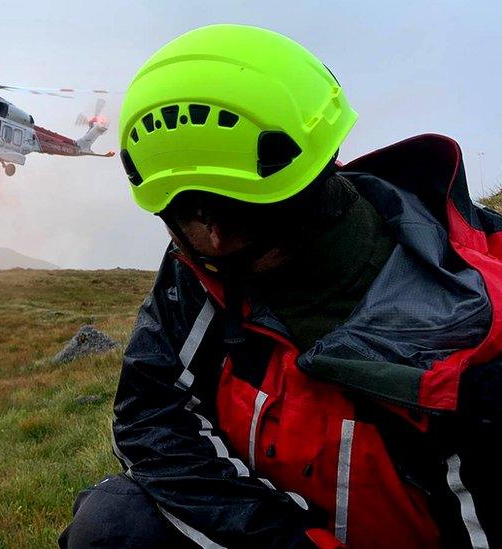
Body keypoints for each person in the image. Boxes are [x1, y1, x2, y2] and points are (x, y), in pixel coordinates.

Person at [60, 24, 500, 548]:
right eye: (189, 217)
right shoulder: (200, 268)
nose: (216, 237)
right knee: (114, 523)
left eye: (236, 214)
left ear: (313, 180)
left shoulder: (474, 328)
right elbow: (151, 416)